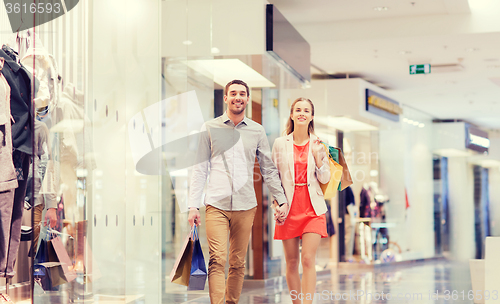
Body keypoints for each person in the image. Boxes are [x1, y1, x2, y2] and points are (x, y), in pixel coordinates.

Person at [187, 80, 287, 304]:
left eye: (242, 93)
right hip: (216, 205)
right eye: (233, 93)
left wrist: (280, 198)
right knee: (217, 258)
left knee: (238, 262)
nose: (237, 97)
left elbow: (268, 169)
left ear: (248, 99)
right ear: (225, 98)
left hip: (246, 205)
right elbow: (200, 168)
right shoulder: (210, 127)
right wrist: (193, 205)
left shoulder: (257, 130)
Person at [271, 97, 330, 304]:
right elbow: (273, 177)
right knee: (292, 262)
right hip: (289, 208)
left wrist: (320, 159)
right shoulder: (280, 143)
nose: (302, 113)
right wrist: (276, 202)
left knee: (307, 259)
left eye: (306, 110)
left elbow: (325, 178)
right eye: (298, 110)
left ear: (312, 116)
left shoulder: (319, 143)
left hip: (313, 208)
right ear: (292, 114)